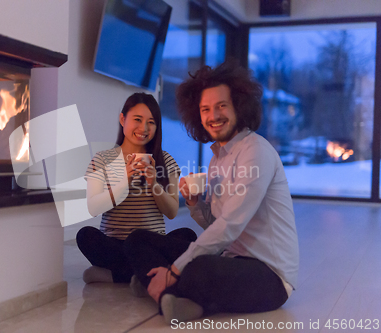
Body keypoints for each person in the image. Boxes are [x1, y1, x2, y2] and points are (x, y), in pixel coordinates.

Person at [123, 61, 299, 323]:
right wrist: (195, 204)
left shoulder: (256, 151)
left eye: (221, 106)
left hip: (269, 276)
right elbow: (215, 224)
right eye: (205, 109)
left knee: (196, 268)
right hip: (229, 255)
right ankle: (175, 297)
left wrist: (174, 270)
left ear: (238, 106)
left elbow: (229, 226)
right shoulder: (218, 158)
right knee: (138, 239)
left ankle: (162, 286)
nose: (213, 116)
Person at [77, 93, 197, 287]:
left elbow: (172, 212)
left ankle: (118, 276)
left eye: (151, 122)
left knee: (188, 236)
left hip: (150, 244)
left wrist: (153, 184)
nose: (144, 128)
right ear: (123, 119)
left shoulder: (165, 160)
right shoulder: (102, 159)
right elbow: (93, 207)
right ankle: (147, 274)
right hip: (116, 245)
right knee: (85, 235)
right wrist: (124, 180)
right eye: (137, 120)